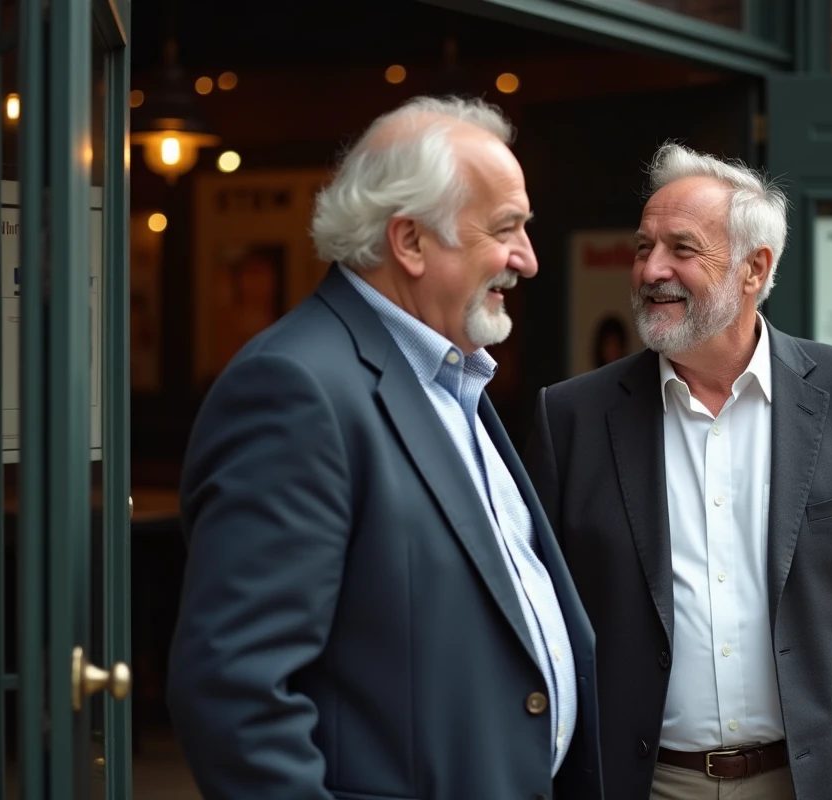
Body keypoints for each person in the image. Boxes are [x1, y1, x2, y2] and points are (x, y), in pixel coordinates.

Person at [168, 96, 602, 800]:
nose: (526, 258)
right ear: (410, 242)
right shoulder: (295, 389)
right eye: (506, 228)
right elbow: (236, 695)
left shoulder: (454, 379)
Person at [523, 143, 832, 800]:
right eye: (643, 247)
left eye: (681, 249)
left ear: (755, 269)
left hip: (816, 783)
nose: (649, 270)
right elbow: (537, 620)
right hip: (644, 783)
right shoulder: (571, 417)